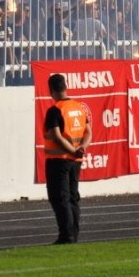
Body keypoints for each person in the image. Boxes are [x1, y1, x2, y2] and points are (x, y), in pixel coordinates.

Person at [42, 73, 92, 245]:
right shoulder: (79, 108)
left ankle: (66, 236)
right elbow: (88, 132)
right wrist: (82, 148)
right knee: (72, 197)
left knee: (60, 198)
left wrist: (71, 150)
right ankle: (73, 235)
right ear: (65, 87)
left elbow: (56, 136)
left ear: (52, 90)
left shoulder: (55, 111)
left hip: (59, 160)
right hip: (75, 161)